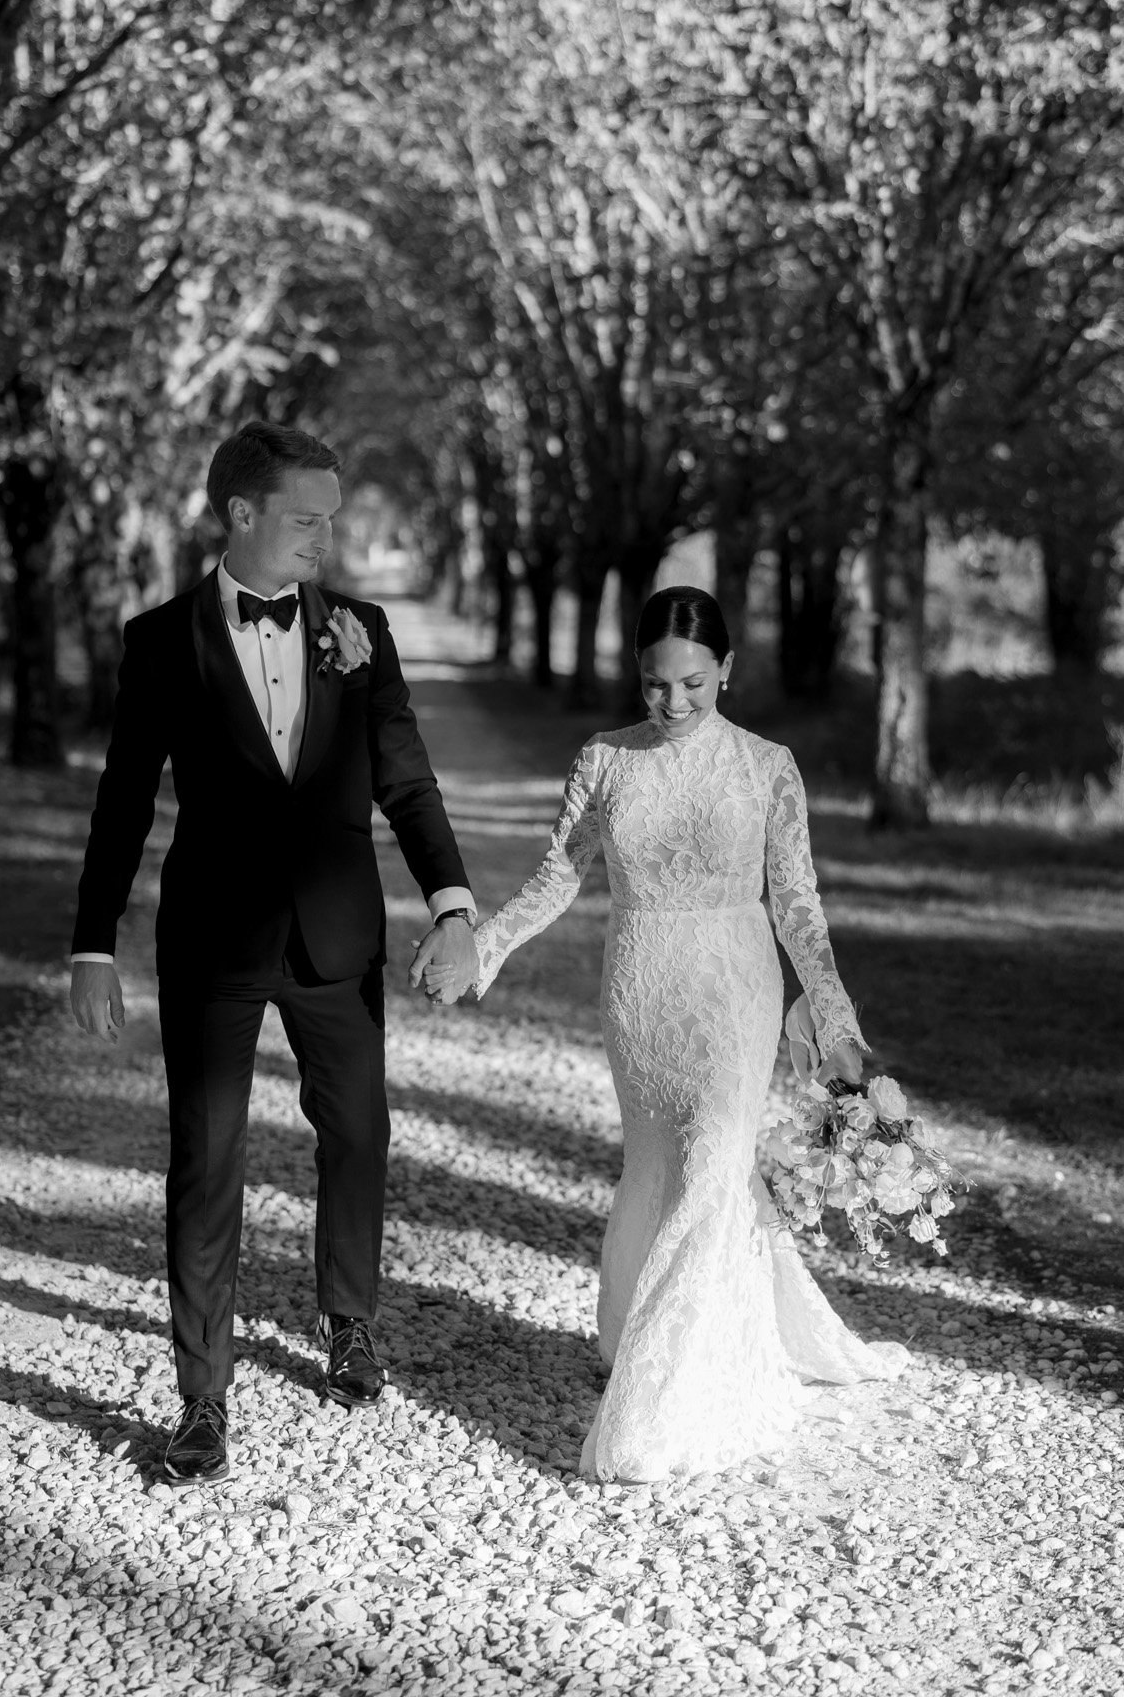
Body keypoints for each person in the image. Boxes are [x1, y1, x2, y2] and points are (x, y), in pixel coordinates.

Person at [69, 420, 477, 1487]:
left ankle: (349, 1319)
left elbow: (407, 779)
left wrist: (452, 902)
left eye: (332, 520)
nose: (324, 540)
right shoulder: (160, 641)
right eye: (306, 518)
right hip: (214, 934)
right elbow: (122, 801)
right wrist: (89, 944)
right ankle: (201, 1395)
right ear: (241, 514)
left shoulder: (361, 629)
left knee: (359, 1131)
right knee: (206, 1159)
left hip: (339, 935)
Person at [432, 585, 906, 1482]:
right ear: (636, 676)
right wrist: (484, 948)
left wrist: (835, 1018)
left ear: (725, 669)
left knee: (714, 1164)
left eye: (693, 683)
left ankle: (669, 1400)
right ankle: (634, 1332)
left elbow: (797, 905)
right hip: (640, 988)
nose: (674, 703)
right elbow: (555, 877)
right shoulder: (604, 760)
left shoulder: (768, 765)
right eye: (655, 685)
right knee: (655, 1162)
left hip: (733, 986)